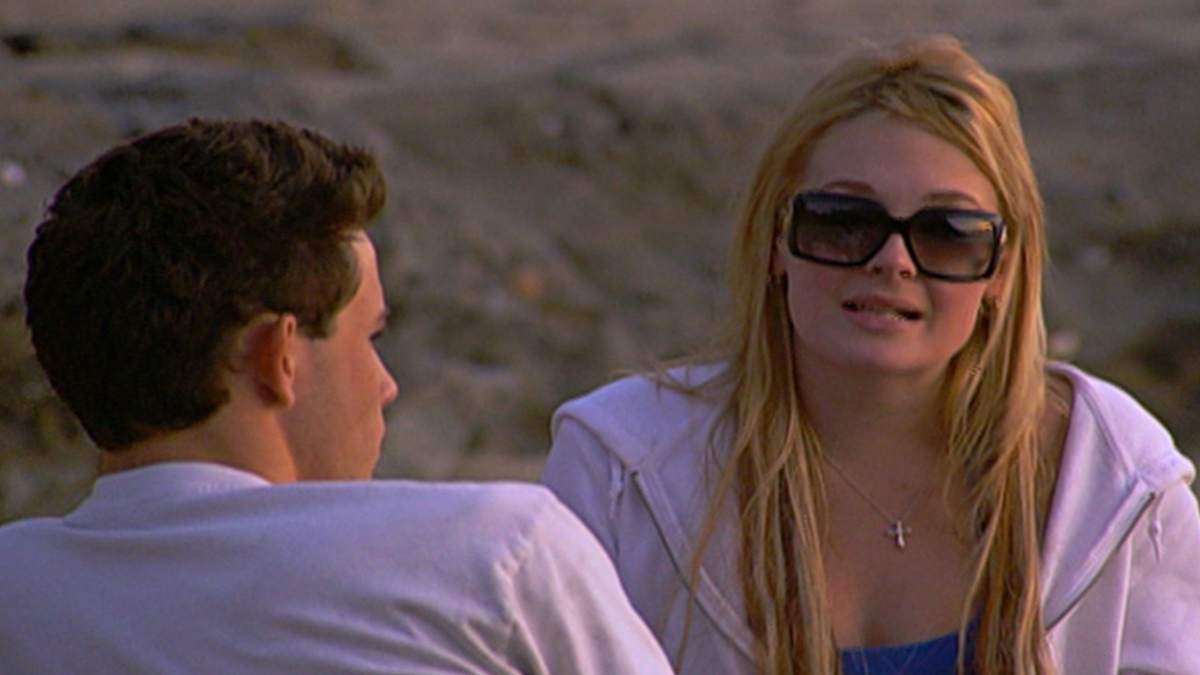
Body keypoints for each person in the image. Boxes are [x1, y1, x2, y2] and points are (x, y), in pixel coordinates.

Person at [541, 35, 1200, 675]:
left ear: (1001, 271)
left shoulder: (1111, 480)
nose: (892, 261)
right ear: (776, 241)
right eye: (843, 221)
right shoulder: (623, 470)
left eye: (948, 232)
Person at [0, 118, 675, 675]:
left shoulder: (17, 592)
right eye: (371, 336)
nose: (387, 383)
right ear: (279, 356)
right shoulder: (496, 555)